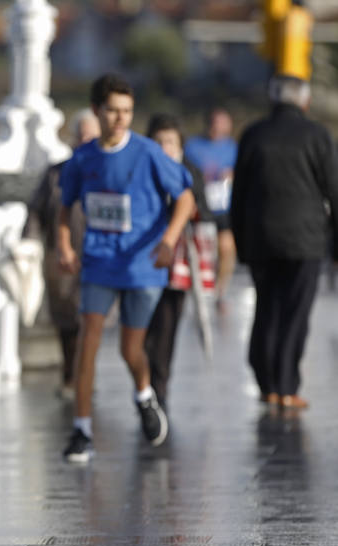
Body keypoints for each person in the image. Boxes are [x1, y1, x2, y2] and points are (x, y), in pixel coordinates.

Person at [56, 74, 195, 463]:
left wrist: (169, 240)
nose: (121, 119)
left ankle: (144, 394)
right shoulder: (83, 159)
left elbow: (185, 199)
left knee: (130, 348)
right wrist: (64, 244)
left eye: (128, 112)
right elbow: (65, 208)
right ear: (97, 111)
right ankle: (82, 429)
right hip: (100, 261)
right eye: (113, 111)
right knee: (89, 342)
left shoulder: (150, 153)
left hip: (144, 263)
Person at [230, 75, 338, 410]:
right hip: (306, 241)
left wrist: (240, 244)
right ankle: (287, 386)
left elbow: (239, 196)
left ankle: (267, 383)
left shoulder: (253, 135)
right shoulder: (318, 136)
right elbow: (334, 191)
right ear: (304, 102)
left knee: (266, 309)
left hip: (261, 238)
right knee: (295, 313)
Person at [24, 108, 100, 400]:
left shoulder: (104, 173)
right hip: (60, 257)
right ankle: (71, 375)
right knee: (66, 321)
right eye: (80, 135)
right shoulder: (56, 173)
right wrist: (28, 244)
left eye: (90, 136)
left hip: (96, 258)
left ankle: (84, 375)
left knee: (90, 321)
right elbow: (35, 211)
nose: (84, 140)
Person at [143, 113, 214, 410]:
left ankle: (160, 385)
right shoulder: (142, 170)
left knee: (168, 323)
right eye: (158, 142)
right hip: (144, 258)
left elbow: (205, 212)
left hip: (178, 262)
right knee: (142, 323)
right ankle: (145, 381)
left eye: (170, 142)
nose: (165, 148)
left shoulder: (190, 172)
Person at [184, 107, 238, 312]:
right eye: (215, 123)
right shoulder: (193, 146)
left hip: (224, 205)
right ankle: (198, 287)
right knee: (200, 251)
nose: (218, 128)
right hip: (200, 205)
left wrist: (231, 175)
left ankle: (221, 289)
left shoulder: (232, 147)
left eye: (223, 124)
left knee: (227, 248)